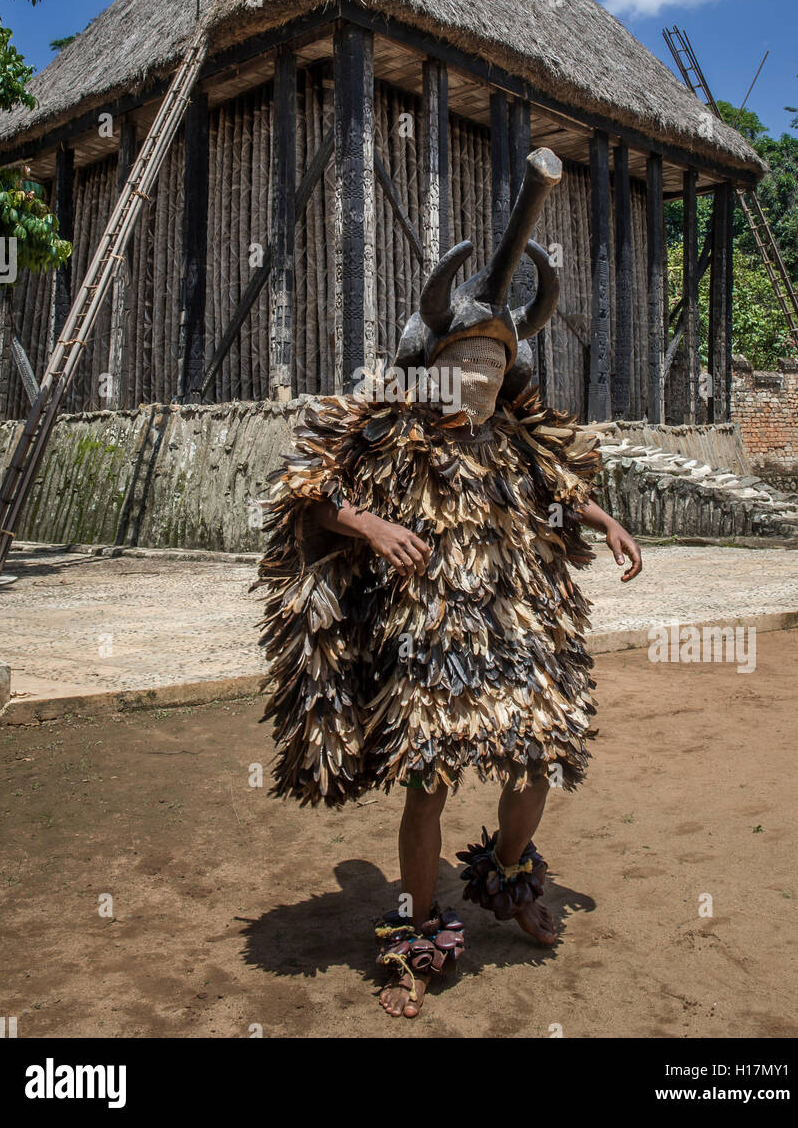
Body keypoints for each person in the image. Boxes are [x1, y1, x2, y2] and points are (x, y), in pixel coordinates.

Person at [252, 148, 642, 1020]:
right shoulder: (388, 432)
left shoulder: (517, 440)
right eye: (467, 367)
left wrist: (601, 519)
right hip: (429, 641)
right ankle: (416, 934)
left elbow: (559, 489)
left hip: (521, 629)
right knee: (427, 783)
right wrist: (370, 523)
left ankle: (507, 879)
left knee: (538, 761)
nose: (482, 383)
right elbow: (304, 495)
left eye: (496, 373)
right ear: (429, 367)